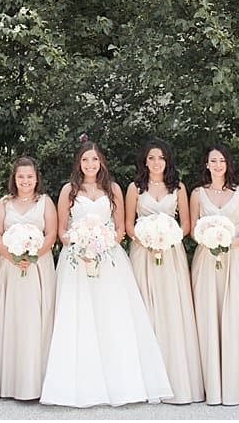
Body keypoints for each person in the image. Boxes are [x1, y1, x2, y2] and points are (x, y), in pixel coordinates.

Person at [40, 140, 172, 407]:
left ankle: (121, 383)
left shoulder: (113, 189)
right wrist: (80, 246)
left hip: (109, 257)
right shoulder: (69, 190)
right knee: (77, 318)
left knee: (112, 316)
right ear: (79, 162)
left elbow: (121, 228)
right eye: (85, 160)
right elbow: (63, 230)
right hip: (76, 259)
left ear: (101, 163)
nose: (90, 164)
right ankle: (75, 386)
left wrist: (103, 245)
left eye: (95, 160)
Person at [124, 139, 204, 404]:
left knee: (171, 309)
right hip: (142, 252)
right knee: (144, 308)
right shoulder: (135, 188)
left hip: (170, 253)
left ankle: (175, 377)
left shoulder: (178, 187)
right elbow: (128, 224)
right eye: (151, 158)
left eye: (160, 158)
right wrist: (146, 241)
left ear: (167, 160)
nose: (156, 162)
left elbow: (187, 224)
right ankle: (144, 381)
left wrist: (167, 240)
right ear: (144, 161)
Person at [189, 143, 239, 405]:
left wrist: (228, 243)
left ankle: (237, 383)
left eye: (222, 160)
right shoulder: (197, 193)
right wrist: (209, 240)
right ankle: (210, 383)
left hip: (235, 259)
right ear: (207, 165)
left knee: (236, 315)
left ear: (227, 164)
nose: (217, 165)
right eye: (213, 161)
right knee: (207, 315)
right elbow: (193, 230)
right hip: (206, 260)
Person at [0, 155, 57, 400]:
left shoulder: (45, 202)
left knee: (36, 319)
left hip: (38, 266)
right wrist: (12, 256)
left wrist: (33, 254)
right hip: (9, 266)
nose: (25, 181)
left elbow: (51, 233)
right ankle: (8, 380)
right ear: (14, 179)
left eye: (29, 176)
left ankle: (36, 381)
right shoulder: (4, 203)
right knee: (10, 318)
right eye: (21, 177)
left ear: (36, 178)